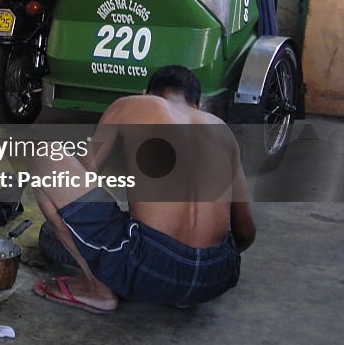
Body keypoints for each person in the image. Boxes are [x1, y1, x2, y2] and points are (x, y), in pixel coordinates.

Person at [32, 65, 255, 313]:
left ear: (146, 92)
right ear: (198, 105)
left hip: (149, 269)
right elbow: (245, 232)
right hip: (216, 277)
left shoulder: (132, 105)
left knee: (47, 158)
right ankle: (183, 293)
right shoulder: (222, 130)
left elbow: (83, 177)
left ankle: (96, 288)